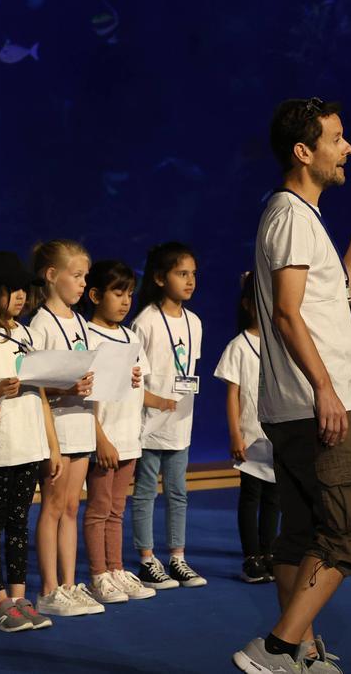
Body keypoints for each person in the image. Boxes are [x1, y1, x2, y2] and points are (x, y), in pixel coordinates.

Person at [233, 97, 351, 674]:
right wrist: (325, 387)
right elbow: (289, 314)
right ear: (304, 151)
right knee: (350, 530)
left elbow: (335, 292)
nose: (348, 148)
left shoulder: (300, 215)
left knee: (300, 535)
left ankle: (307, 651)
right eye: (337, 138)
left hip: (293, 404)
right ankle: (276, 648)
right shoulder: (292, 216)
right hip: (313, 403)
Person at [0, 250, 63, 632]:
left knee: (19, 522)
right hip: (0, 445)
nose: (21, 296)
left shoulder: (26, 333)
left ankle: (20, 598)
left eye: (24, 289)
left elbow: (37, 391)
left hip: (30, 442)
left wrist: (51, 445)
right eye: (12, 289)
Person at [28, 239, 104, 617]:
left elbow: (89, 371)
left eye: (85, 276)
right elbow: (35, 384)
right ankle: (48, 588)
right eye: (76, 276)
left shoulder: (81, 323)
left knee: (73, 506)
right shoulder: (41, 323)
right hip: (56, 425)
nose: (81, 283)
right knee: (54, 506)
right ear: (52, 275)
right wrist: (66, 387)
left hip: (81, 422)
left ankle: (71, 583)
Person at [80, 260, 159, 603]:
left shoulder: (131, 336)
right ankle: (98, 574)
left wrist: (138, 382)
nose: (126, 300)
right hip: (105, 437)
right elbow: (85, 395)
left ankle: (115, 568)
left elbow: (137, 382)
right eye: (117, 292)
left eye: (129, 293)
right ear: (95, 295)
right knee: (98, 509)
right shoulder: (86, 335)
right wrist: (100, 438)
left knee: (116, 509)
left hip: (129, 437)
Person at [131, 241, 207, 589]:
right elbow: (135, 376)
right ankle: (147, 558)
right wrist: (156, 401)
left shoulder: (195, 322)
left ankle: (177, 556)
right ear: (160, 278)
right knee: (146, 491)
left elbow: (187, 371)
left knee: (178, 491)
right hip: (149, 425)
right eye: (181, 274)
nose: (190, 281)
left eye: (192, 274)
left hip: (181, 423)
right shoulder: (145, 322)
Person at [214, 272, 279, 584]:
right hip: (250, 436)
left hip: (276, 437)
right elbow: (232, 395)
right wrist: (235, 434)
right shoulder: (238, 346)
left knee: (274, 498)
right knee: (251, 495)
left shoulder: (279, 343)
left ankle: (269, 552)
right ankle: (251, 555)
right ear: (247, 305)